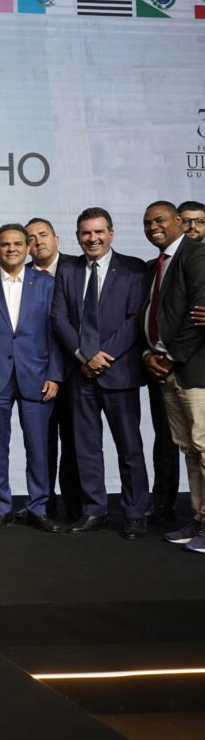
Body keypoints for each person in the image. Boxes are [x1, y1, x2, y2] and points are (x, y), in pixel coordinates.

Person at [50, 208, 149, 539]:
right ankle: (94, 510)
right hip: (81, 373)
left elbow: (134, 319)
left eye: (98, 232)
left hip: (118, 372)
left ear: (111, 234)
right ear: (78, 237)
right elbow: (59, 318)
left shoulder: (134, 268)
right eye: (85, 233)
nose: (92, 238)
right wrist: (84, 356)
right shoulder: (68, 269)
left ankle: (135, 513)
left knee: (129, 447)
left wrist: (102, 356)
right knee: (86, 448)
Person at [0, 225, 62, 531]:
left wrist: (55, 374)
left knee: (39, 446)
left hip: (37, 376)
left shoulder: (47, 284)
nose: (11, 249)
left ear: (28, 247)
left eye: (18, 243)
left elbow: (55, 332)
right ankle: (1, 506)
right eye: (5, 244)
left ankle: (38, 506)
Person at [139, 201, 205, 553]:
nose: (153, 227)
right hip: (167, 371)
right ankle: (199, 518)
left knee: (204, 447)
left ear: (178, 221)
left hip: (193, 370)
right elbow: (150, 315)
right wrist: (149, 354)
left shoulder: (196, 254)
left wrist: (170, 356)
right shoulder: (157, 264)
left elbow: (198, 316)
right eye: (147, 223)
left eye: (160, 220)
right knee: (190, 449)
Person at [25, 217, 82, 521]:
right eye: (31, 238)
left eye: (43, 234)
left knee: (74, 442)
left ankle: (76, 507)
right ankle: (42, 505)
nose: (38, 241)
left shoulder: (78, 268)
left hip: (77, 371)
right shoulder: (20, 276)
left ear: (57, 239)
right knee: (41, 444)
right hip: (36, 374)